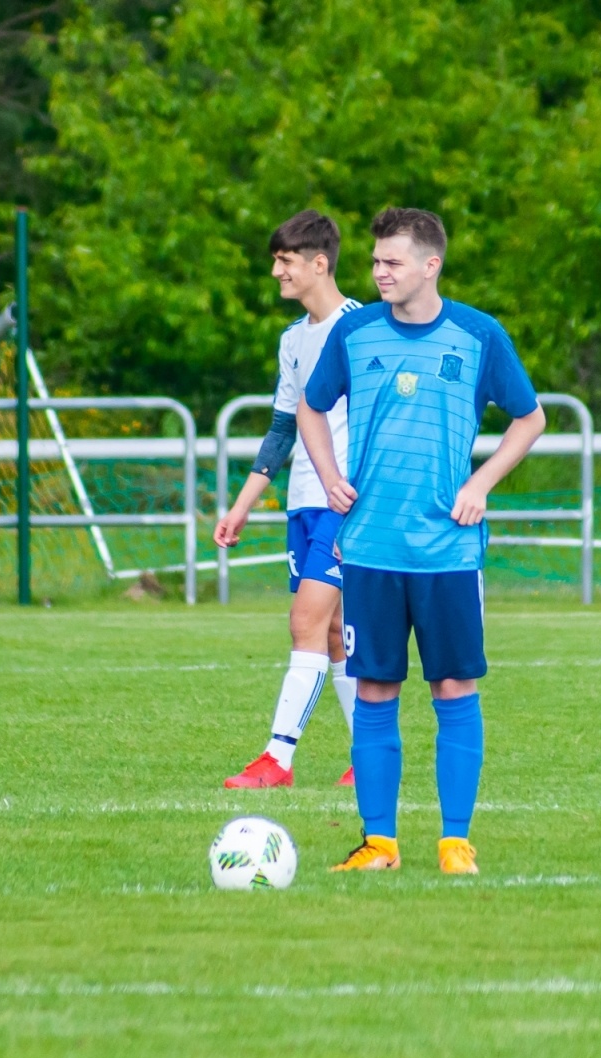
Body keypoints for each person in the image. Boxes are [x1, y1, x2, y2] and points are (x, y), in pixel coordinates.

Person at [299, 207, 546, 875]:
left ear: (430, 265)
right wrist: (328, 476)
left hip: (448, 551)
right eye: (376, 261)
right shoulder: (353, 333)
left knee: (454, 687)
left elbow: (530, 417)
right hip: (371, 547)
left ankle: (454, 842)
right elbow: (309, 406)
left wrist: (483, 482)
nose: (379, 272)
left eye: (393, 262)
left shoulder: (477, 334)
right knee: (374, 690)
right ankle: (379, 844)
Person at [215, 210, 360, 788]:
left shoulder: (363, 329)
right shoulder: (293, 339)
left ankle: (278, 758)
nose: (276, 271)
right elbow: (282, 430)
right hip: (302, 502)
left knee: (305, 624)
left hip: (346, 504)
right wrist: (243, 502)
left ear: (318, 263)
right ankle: (368, 755)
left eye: (285, 260)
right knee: (332, 635)